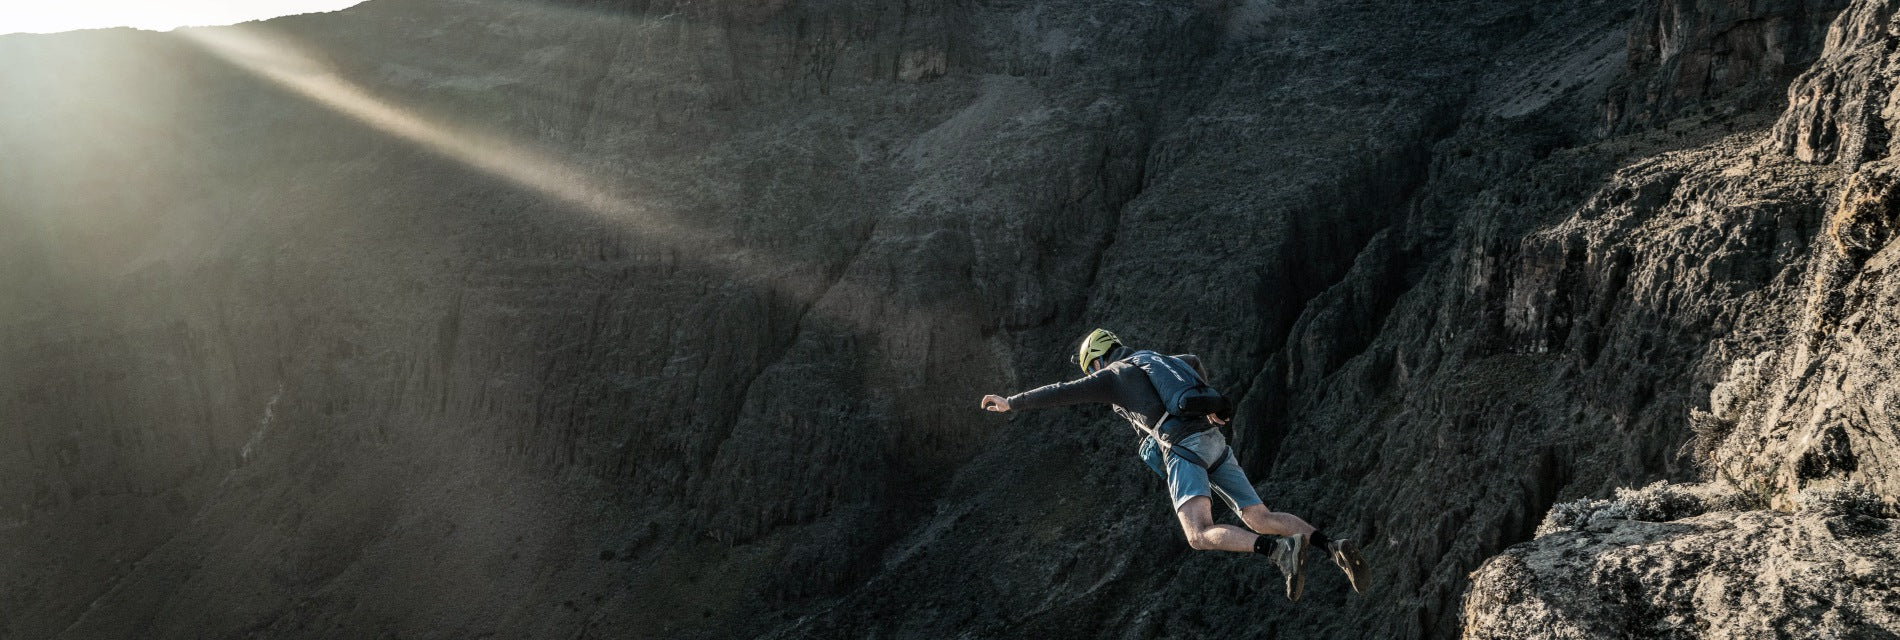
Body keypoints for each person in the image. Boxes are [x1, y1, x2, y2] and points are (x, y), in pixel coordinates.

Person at [979, 328, 1366, 601]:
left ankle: (1279, 552)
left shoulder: (1111, 375)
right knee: (1259, 514)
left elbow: (1062, 393)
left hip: (1182, 446)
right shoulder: (1154, 358)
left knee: (1198, 533)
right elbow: (1193, 362)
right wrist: (1209, 412)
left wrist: (1012, 402)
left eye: (1090, 370)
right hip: (1214, 441)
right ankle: (1332, 546)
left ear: (1096, 360)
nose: (1091, 376)